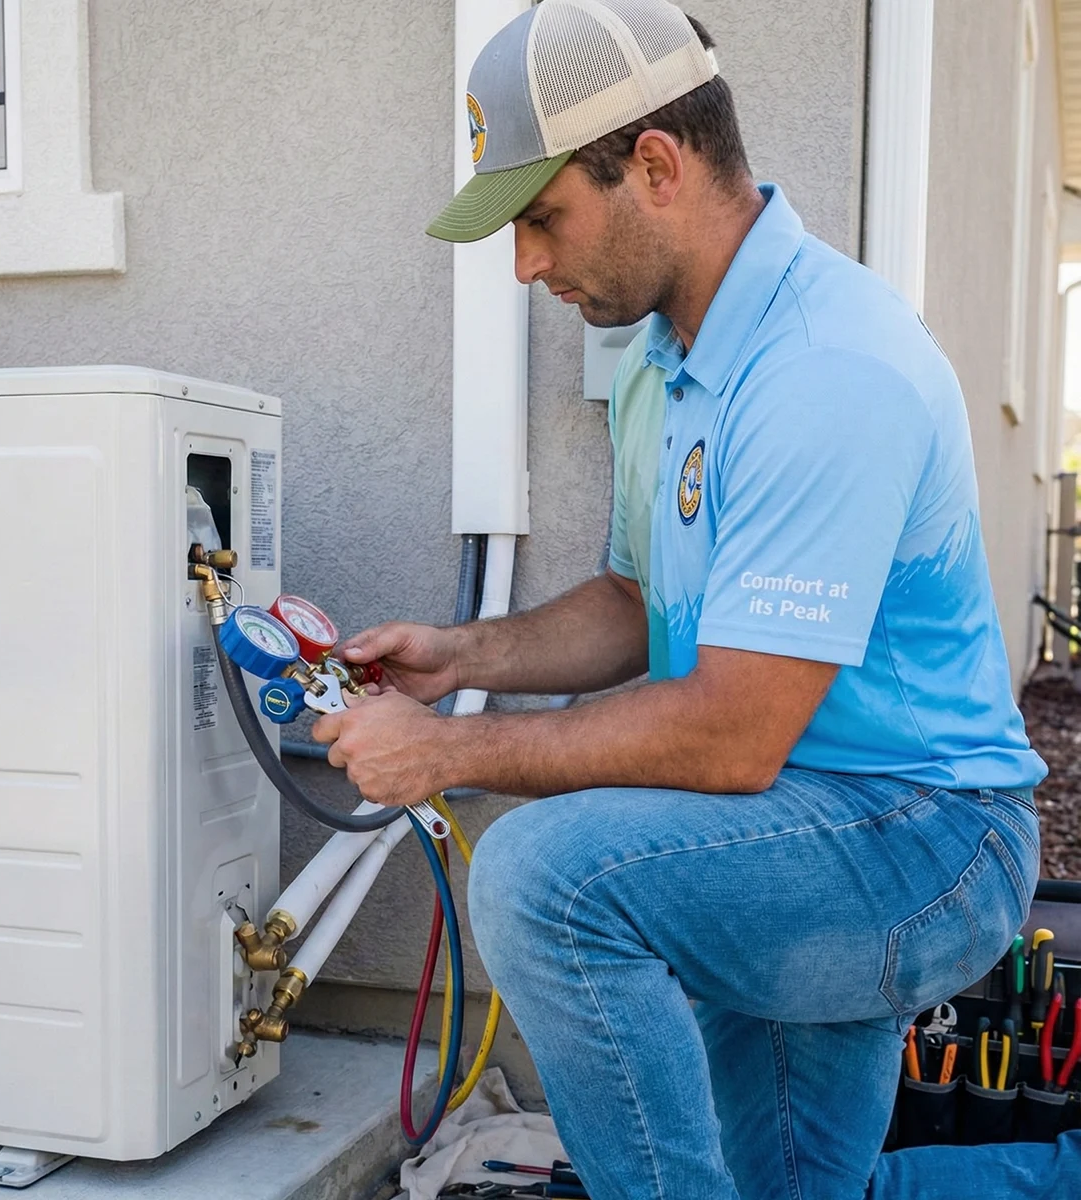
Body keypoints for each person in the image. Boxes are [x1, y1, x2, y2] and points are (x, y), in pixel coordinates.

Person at [311, 2, 1056, 1196]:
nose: (526, 264)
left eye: (544, 217)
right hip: (789, 826)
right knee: (789, 1186)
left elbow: (729, 730)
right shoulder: (666, 363)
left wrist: (451, 757)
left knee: (541, 880)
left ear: (655, 164)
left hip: (926, 843)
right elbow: (632, 597)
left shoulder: (824, 366)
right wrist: (462, 657)